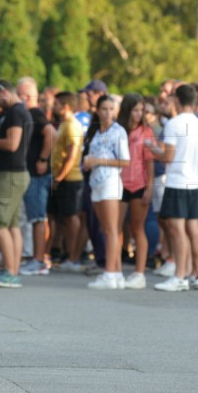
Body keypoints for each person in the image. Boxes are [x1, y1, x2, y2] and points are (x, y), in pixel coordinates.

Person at [153, 84, 198, 292]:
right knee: (194, 228)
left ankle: (180, 275)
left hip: (177, 181)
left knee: (177, 230)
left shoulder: (174, 124)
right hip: (194, 180)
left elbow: (168, 156)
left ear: (177, 100)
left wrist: (154, 151)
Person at [0, 79, 33, 288]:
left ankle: (10, 272)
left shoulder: (14, 113)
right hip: (16, 174)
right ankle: (12, 269)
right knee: (11, 224)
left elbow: (12, 144)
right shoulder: (19, 112)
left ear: (3, 92)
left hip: (10, 175)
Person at [85, 95, 130, 290]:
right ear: (98, 110)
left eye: (112, 109)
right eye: (104, 108)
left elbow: (125, 160)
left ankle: (109, 274)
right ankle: (117, 273)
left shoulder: (118, 131)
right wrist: (89, 162)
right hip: (96, 181)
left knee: (112, 229)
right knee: (106, 229)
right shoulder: (96, 130)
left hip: (111, 181)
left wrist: (98, 161)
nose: (108, 113)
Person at [17, 77, 56, 276]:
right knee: (35, 217)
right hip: (31, 173)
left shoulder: (35, 114)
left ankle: (39, 260)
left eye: (19, 94)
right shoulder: (30, 114)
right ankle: (36, 257)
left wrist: (43, 158)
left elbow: (51, 133)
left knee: (38, 217)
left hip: (37, 174)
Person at [116, 93, 154, 289]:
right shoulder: (118, 129)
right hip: (119, 183)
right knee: (116, 228)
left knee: (138, 228)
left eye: (142, 110)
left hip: (139, 183)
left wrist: (150, 186)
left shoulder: (146, 132)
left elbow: (149, 161)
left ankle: (139, 273)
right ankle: (115, 270)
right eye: (136, 109)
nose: (139, 114)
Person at [49, 92, 86, 273]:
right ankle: (66, 253)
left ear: (65, 106)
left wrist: (59, 176)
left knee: (72, 218)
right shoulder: (64, 124)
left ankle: (73, 256)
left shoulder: (72, 125)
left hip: (71, 179)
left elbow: (72, 155)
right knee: (63, 218)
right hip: (63, 178)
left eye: (56, 104)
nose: (53, 107)